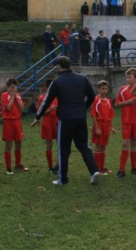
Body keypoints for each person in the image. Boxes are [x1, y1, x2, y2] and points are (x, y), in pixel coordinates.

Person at [31, 56, 100, 186]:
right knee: (84, 146)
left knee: (63, 149)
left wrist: (37, 116)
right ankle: (94, 171)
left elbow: (47, 101)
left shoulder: (57, 82)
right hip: (80, 118)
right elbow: (92, 96)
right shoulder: (82, 78)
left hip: (65, 119)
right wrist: (83, 108)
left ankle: (62, 179)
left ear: (58, 66)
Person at [114, 68, 136, 177]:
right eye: (126, 77)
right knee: (125, 143)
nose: (127, 79)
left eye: (129, 77)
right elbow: (117, 104)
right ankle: (121, 170)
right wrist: (128, 102)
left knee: (134, 144)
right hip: (127, 121)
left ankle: (133, 168)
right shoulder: (123, 89)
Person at [1, 78, 28, 175]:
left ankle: (18, 164)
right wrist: (12, 97)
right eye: (12, 87)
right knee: (8, 145)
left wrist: (16, 97)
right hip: (8, 122)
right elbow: (8, 108)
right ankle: (8, 167)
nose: (14, 89)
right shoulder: (4, 95)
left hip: (17, 121)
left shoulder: (18, 95)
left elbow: (22, 108)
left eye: (15, 87)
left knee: (18, 143)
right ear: (8, 87)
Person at [31, 79, 59, 174]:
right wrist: (50, 109)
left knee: (60, 143)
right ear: (46, 88)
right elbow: (40, 113)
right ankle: (50, 167)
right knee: (49, 144)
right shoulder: (42, 98)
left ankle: (58, 165)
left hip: (57, 120)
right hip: (47, 121)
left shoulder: (58, 97)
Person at [91, 80, 117, 175]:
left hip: (106, 126)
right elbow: (93, 115)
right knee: (98, 147)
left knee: (103, 147)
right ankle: (96, 169)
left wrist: (111, 127)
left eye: (106, 89)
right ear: (98, 89)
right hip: (99, 125)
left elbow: (110, 116)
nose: (104, 90)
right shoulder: (96, 100)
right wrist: (97, 128)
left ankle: (102, 168)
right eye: (102, 88)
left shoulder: (109, 101)